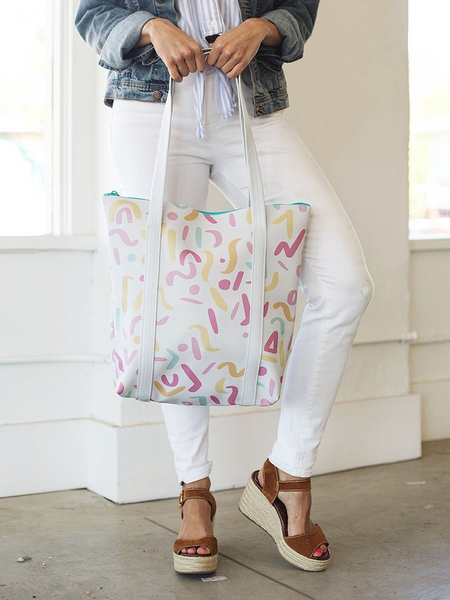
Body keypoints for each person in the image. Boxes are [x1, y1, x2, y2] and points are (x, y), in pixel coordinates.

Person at [75, 0, 375, 575]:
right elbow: (92, 12)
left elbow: (298, 7)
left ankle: (285, 473)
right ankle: (195, 491)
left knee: (345, 284)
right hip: (151, 105)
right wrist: (150, 26)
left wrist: (263, 28)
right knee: (174, 304)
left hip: (249, 108)